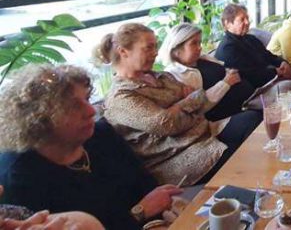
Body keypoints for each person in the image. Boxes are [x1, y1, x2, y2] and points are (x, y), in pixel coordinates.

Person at [0, 64, 184, 229]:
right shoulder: (20, 177)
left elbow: (147, 185)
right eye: (73, 107)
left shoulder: (101, 134)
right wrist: (139, 213)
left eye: (87, 99)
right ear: (39, 119)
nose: (91, 111)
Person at [98, 23, 259, 186]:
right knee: (248, 156)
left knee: (253, 119)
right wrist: (188, 101)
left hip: (205, 132)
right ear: (123, 52)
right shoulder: (121, 96)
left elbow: (201, 103)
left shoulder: (162, 77)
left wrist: (178, 108)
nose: (155, 53)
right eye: (148, 48)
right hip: (181, 155)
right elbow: (166, 123)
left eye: (155, 47)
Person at [159, 23, 261, 123]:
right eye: (194, 43)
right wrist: (226, 83)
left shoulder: (202, 58)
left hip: (248, 100)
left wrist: (230, 73)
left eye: (199, 43)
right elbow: (199, 106)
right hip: (226, 117)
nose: (199, 47)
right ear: (177, 49)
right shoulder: (175, 75)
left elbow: (223, 69)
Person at [215, 4, 291, 90]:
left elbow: (269, 56)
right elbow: (250, 75)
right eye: (242, 19)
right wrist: (277, 72)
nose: (247, 22)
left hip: (268, 77)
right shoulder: (228, 48)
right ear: (227, 24)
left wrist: (282, 62)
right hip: (251, 88)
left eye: (247, 18)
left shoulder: (250, 38)